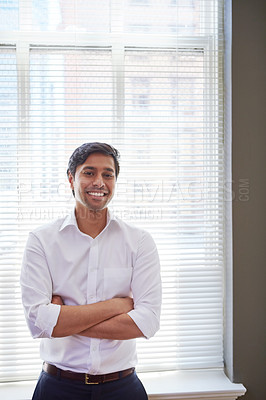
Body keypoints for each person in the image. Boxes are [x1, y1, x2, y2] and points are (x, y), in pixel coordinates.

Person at [20, 142, 162, 400]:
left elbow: (148, 322)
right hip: (58, 387)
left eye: (108, 174)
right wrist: (118, 306)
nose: (99, 181)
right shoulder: (41, 241)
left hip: (123, 388)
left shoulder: (139, 241)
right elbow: (38, 322)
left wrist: (62, 319)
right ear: (71, 178)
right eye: (89, 172)